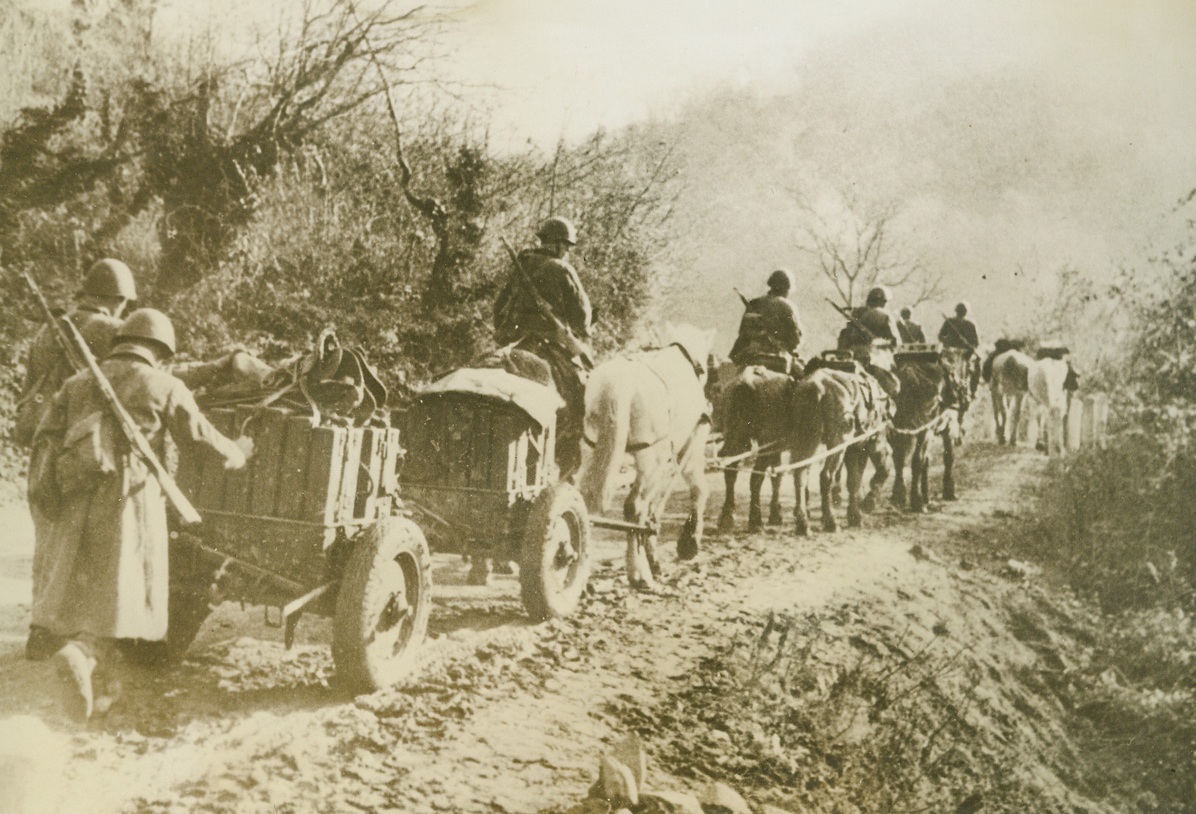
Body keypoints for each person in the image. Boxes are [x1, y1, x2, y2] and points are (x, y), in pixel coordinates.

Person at [28, 309, 253, 721]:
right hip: (129, 501)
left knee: (87, 586)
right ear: (160, 349)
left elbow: (45, 438)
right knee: (126, 591)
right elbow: (201, 439)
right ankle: (83, 655)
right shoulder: (165, 385)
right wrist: (238, 452)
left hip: (78, 499)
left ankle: (97, 678)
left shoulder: (77, 383)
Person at [16, 259, 138, 661]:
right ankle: (57, 635)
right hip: (80, 447)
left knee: (49, 537)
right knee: (77, 541)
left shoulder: (46, 332)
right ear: (118, 301)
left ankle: (42, 630)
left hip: (43, 444)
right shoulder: (106, 329)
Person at [494, 216, 593, 481]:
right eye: (567, 247)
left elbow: (499, 306)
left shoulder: (521, 265)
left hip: (510, 342)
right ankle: (566, 463)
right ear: (560, 246)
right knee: (579, 393)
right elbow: (582, 315)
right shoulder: (561, 269)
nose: (567, 253)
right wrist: (578, 336)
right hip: (547, 345)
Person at [727, 269, 804, 375]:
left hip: (749, 357)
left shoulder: (754, 303)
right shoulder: (788, 307)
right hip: (778, 359)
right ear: (787, 289)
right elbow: (796, 340)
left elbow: (742, 333)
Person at [939, 302, 981, 396]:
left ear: (956, 311)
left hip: (949, 351)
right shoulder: (970, 324)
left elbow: (941, 337)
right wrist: (970, 348)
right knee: (976, 367)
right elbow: (976, 343)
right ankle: (972, 390)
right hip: (963, 353)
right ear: (966, 312)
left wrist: (947, 343)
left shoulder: (949, 321)